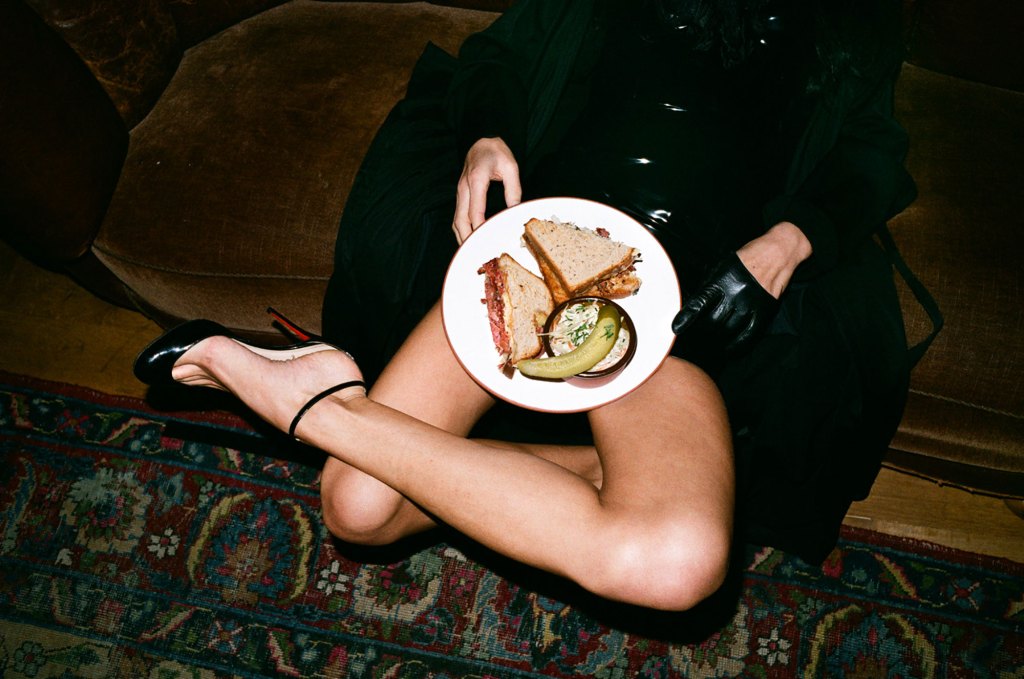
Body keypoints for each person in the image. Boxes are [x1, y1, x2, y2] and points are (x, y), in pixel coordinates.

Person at [135, 0, 922, 611]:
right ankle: (631, 477)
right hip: (538, 246)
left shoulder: (856, 15)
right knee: (358, 508)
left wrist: (789, 240)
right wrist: (486, 136)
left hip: (680, 302)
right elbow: (501, 56)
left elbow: (873, 151)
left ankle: (320, 401)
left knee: (674, 562)